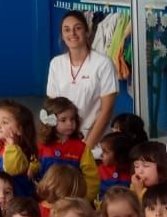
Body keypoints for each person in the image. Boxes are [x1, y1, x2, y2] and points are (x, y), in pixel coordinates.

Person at [45, 11, 119, 150]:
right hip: (64, 140)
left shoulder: (103, 63)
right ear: (62, 35)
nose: (72, 33)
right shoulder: (56, 63)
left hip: (95, 142)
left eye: (77, 28)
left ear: (87, 31)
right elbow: (53, 108)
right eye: (66, 29)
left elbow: (106, 110)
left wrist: (86, 148)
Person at [38, 96, 99, 200]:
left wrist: (85, 198)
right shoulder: (41, 146)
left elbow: (91, 177)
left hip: (73, 202)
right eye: (63, 120)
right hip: (45, 202)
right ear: (50, 122)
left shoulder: (81, 148)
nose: (70, 123)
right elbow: (34, 174)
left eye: (72, 119)